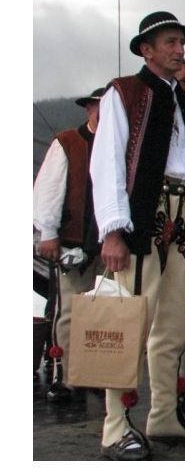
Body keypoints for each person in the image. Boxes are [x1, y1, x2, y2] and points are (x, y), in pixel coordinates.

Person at [91, 11, 185, 460]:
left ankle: (164, 413)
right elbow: (107, 163)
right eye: (170, 42)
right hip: (145, 219)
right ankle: (114, 426)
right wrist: (113, 230)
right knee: (131, 322)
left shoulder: (184, 102)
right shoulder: (124, 93)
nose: (179, 49)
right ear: (146, 50)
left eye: (180, 42)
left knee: (171, 326)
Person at [33, 87, 105, 399]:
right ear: (88, 109)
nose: (104, 113)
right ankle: (66, 376)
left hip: (111, 243)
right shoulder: (67, 142)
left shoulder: (124, 146)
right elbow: (47, 188)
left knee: (105, 311)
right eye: (98, 106)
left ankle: (99, 374)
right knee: (70, 310)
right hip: (74, 240)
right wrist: (48, 232)